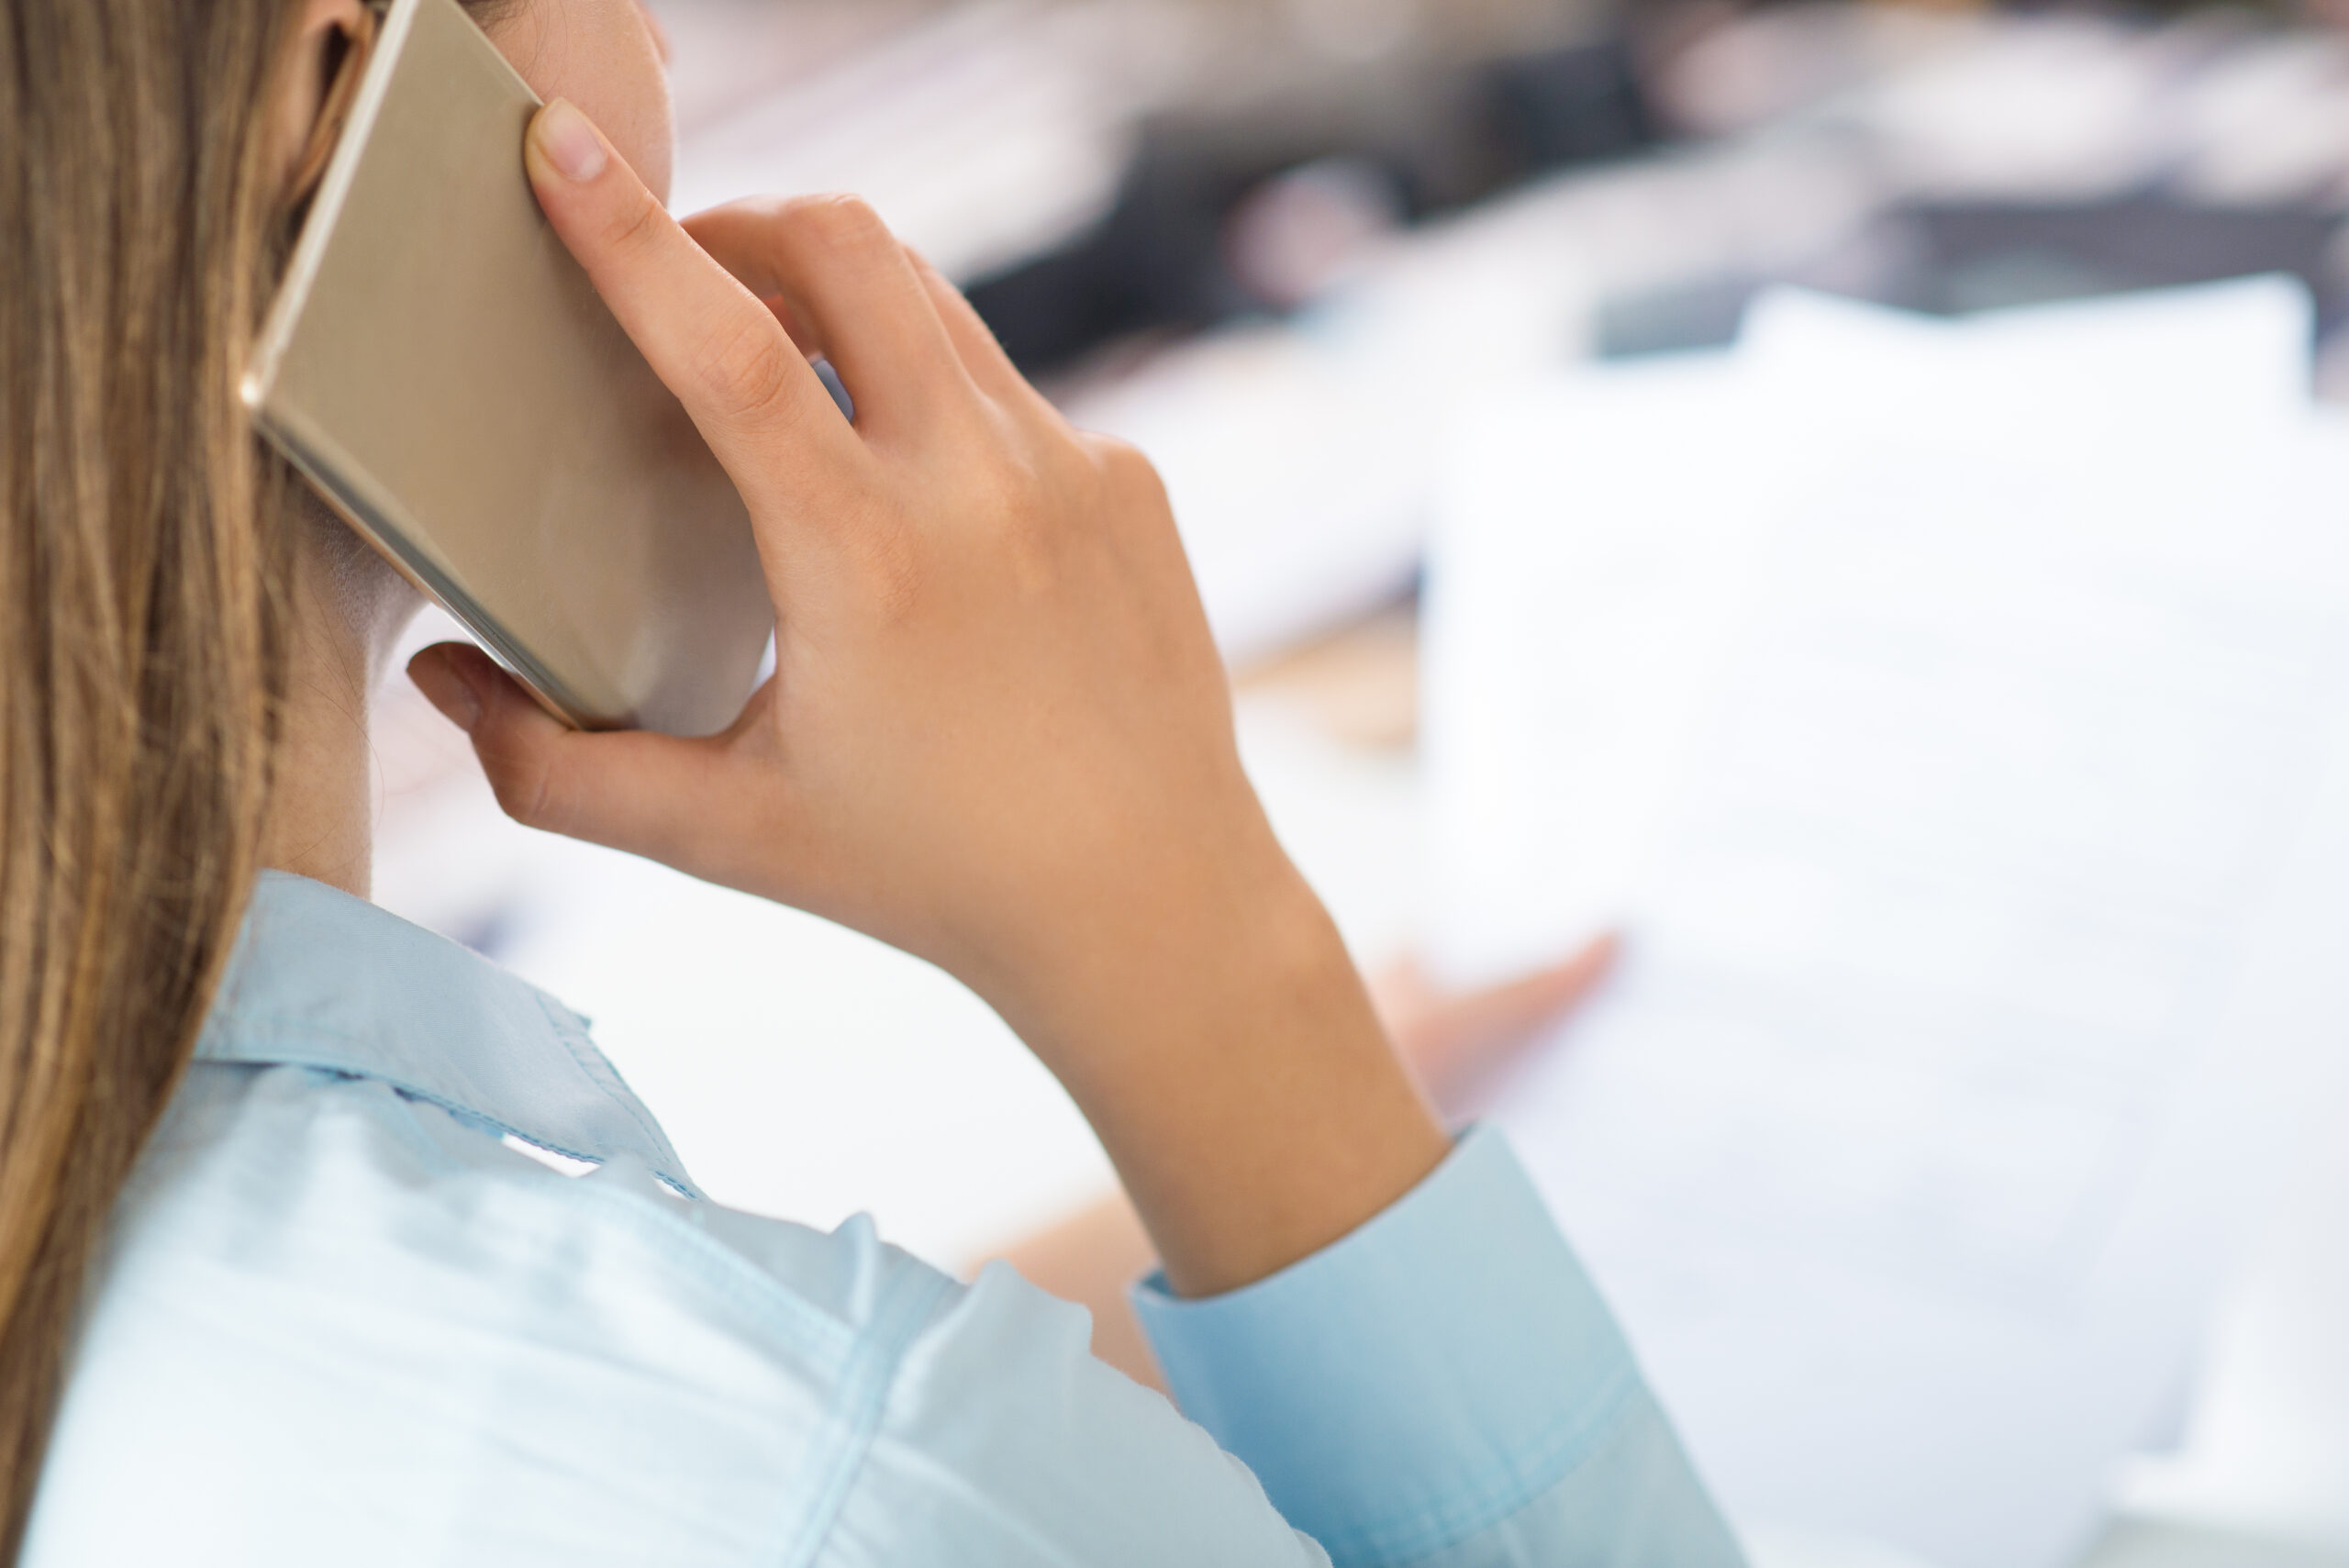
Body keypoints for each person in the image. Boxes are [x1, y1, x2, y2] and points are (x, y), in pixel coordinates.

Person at [0, 0, 1745, 1562]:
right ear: (331, 100)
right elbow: (847, 1492)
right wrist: (1217, 973)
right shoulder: (854, 1496)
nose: (658, 49)